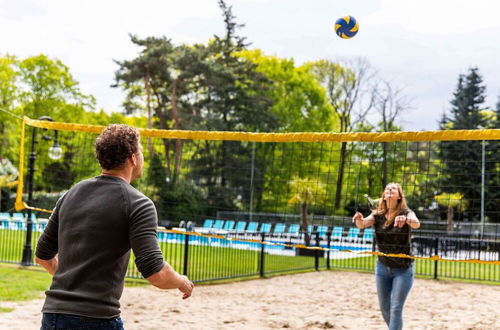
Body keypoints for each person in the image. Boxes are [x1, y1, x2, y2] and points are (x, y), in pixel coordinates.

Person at [35, 124, 194, 330]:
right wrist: (181, 281)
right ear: (133, 158)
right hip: (96, 319)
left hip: (53, 316)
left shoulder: (71, 193)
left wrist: (70, 282)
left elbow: (42, 255)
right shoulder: (138, 203)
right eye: (141, 151)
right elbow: (156, 273)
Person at [352, 182, 420, 330]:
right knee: (384, 308)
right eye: (387, 188)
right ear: (384, 195)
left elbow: (416, 223)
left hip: (403, 268)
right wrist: (358, 219)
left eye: (393, 188)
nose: (389, 189)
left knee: (396, 308)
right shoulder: (378, 214)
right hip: (382, 267)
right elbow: (362, 224)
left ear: (399, 196)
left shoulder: (406, 212)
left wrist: (406, 219)